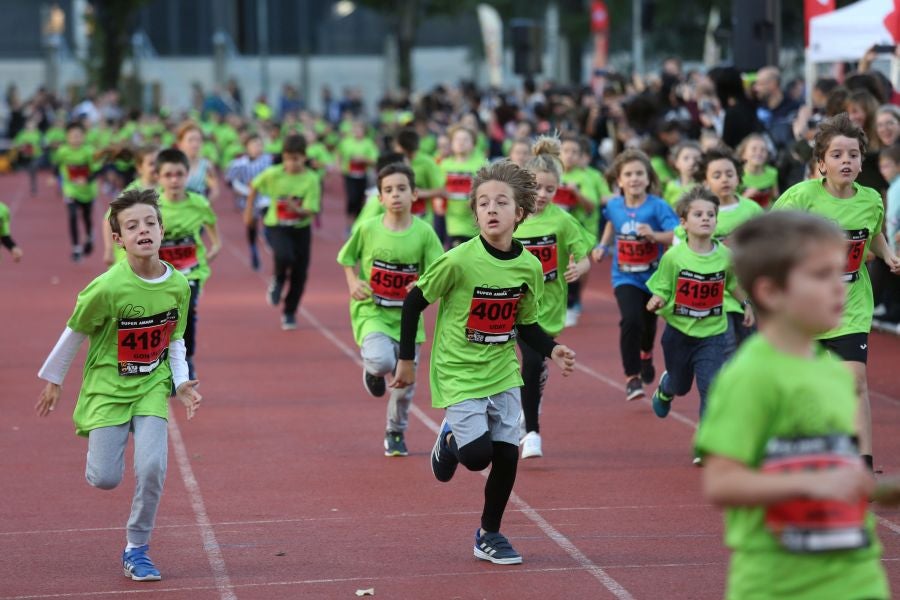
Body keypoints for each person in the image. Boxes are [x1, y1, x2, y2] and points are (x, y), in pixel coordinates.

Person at [695, 211, 893, 600]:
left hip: (856, 573)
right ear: (771, 292)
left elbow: (830, 465)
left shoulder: (835, 374)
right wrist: (810, 484)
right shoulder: (749, 378)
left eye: (838, 272)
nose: (839, 287)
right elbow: (722, 483)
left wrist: (869, 486)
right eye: (821, 276)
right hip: (780, 581)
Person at [393, 160, 576, 565]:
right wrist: (406, 361)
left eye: (501, 202)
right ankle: (452, 438)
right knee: (477, 456)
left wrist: (552, 348)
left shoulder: (530, 266)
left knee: (508, 453)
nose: (491, 209)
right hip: (457, 369)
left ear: (520, 213)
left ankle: (489, 534)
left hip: (501, 369)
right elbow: (413, 302)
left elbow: (525, 325)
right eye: (483, 203)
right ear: (474, 213)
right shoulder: (458, 260)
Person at [35, 188, 201, 582]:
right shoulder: (107, 287)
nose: (142, 230)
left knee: (152, 467)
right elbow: (75, 331)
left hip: (150, 387)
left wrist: (180, 383)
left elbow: (174, 339)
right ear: (118, 239)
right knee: (105, 478)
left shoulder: (178, 285)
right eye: (132, 225)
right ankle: (113, 433)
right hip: (108, 388)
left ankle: (136, 549)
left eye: (149, 223)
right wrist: (53, 379)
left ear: (162, 229)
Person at [773, 112, 900, 473]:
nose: (847, 161)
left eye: (854, 155)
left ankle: (862, 464)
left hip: (851, 303)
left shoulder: (872, 199)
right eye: (837, 155)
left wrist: (888, 254)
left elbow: (873, 233)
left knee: (855, 382)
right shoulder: (800, 198)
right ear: (821, 163)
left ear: (862, 161)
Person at [337, 163, 443, 456]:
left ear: (414, 194)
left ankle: (395, 432)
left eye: (401, 189)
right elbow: (347, 258)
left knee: (404, 384)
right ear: (380, 198)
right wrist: (352, 280)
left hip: (408, 321)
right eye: (388, 190)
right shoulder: (368, 229)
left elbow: (439, 270)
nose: (395, 195)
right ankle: (373, 370)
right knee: (383, 361)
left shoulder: (424, 233)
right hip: (372, 311)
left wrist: (423, 285)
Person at [647, 187, 753, 436]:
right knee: (681, 385)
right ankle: (667, 387)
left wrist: (746, 304)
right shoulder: (674, 257)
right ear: (683, 223)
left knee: (710, 387)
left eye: (711, 214)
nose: (706, 218)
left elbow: (733, 284)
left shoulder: (725, 256)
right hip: (679, 333)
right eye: (698, 214)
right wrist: (657, 300)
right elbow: (662, 287)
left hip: (713, 332)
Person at [514, 136, 592, 458]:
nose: (542, 195)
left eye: (550, 189)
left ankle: (529, 425)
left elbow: (585, 254)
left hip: (547, 307)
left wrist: (579, 268)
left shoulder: (562, 220)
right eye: (537, 187)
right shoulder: (513, 216)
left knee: (532, 364)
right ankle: (530, 429)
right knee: (522, 364)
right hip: (513, 305)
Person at [592, 149, 679, 401]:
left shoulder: (658, 206)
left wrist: (654, 235)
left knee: (649, 323)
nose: (634, 179)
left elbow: (676, 235)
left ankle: (646, 353)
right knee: (631, 320)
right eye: (628, 174)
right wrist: (602, 245)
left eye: (639, 173)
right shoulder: (614, 205)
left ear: (649, 178)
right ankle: (632, 377)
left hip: (653, 277)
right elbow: (610, 222)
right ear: (619, 180)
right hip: (625, 276)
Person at [156, 149, 221, 379]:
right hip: (160, 273)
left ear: (187, 175)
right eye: (168, 175)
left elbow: (211, 223)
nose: (174, 180)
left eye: (179, 174)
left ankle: (186, 360)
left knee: (186, 311)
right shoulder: (152, 205)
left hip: (191, 271)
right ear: (159, 177)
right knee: (164, 317)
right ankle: (164, 363)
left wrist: (216, 245)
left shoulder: (198, 203)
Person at [245, 134, 321, 330]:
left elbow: (312, 209)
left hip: (301, 229)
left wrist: (296, 209)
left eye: (295, 159)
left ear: (304, 157)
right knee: (284, 255)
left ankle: (289, 312)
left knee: (300, 274)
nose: (291, 163)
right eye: (287, 158)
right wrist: (249, 212)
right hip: (277, 225)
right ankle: (277, 280)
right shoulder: (273, 174)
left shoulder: (311, 179)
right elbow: (253, 186)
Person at [54, 122, 103, 262]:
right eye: (72, 136)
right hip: (70, 189)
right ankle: (76, 247)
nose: (75, 139)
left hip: (88, 191)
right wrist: (54, 177)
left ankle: (89, 236)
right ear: (67, 137)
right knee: (73, 215)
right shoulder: (63, 151)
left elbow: (98, 170)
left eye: (78, 136)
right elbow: (57, 165)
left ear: (84, 137)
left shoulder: (89, 151)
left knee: (87, 217)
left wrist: (86, 179)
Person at [103, 145, 159, 267]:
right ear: (139, 168)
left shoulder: (166, 189)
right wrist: (109, 250)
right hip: (129, 258)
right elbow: (109, 220)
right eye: (151, 164)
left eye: (159, 163)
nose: (156, 167)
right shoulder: (131, 192)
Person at [225, 132, 273, 271]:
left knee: (267, 209)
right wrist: (245, 190)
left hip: (265, 197)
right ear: (247, 147)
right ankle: (253, 251)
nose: (258, 147)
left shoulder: (269, 160)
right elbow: (230, 182)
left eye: (260, 144)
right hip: (248, 200)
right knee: (251, 226)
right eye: (254, 144)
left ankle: (267, 231)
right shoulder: (238, 164)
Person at [439, 124, 488, 247]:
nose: (461, 143)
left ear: (473, 144)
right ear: (451, 143)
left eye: (465, 139)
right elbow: (438, 189)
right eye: (457, 139)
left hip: (474, 222)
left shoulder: (481, 165)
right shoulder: (444, 165)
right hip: (450, 221)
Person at [394, 127, 445, 225]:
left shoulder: (427, 162)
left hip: (423, 219)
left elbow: (442, 190)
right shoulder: (394, 161)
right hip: (399, 219)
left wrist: (418, 193)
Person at [337, 120, 378, 229]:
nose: (357, 132)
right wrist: (339, 166)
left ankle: (357, 223)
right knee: (352, 198)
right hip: (349, 174)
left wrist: (364, 159)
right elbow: (339, 154)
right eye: (355, 129)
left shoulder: (368, 143)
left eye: (360, 129)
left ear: (364, 131)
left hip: (362, 175)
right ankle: (348, 224)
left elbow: (375, 160)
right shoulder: (346, 142)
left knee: (360, 199)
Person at [175, 121, 219, 202]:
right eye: (190, 140)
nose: (195, 144)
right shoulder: (172, 165)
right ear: (180, 143)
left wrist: (203, 205)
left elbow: (215, 190)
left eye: (198, 140)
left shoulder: (207, 165)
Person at [737, 133, 779, 209]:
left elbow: (775, 198)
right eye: (754, 149)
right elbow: (731, 204)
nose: (759, 153)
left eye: (763, 150)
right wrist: (745, 196)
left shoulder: (772, 173)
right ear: (743, 154)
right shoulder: (736, 175)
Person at [662, 141, 701, 207]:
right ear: (676, 162)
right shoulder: (670, 186)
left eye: (696, 158)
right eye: (686, 158)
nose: (691, 162)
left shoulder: (702, 186)